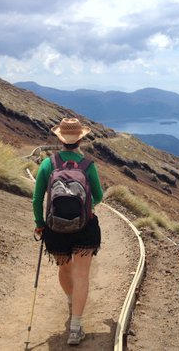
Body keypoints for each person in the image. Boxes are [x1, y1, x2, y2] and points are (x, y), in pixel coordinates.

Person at [32, 118, 104, 345]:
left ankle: (72, 300)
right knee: (82, 275)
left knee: (65, 268)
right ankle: (75, 328)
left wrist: (40, 223)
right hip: (85, 227)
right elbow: (99, 196)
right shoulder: (88, 164)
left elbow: (37, 199)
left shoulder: (47, 164)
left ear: (60, 139)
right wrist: (85, 206)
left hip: (55, 228)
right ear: (81, 138)